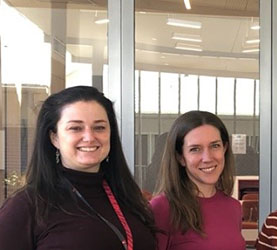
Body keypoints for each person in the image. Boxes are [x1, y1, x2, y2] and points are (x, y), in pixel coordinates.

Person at [0, 86, 157, 250]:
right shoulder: (27, 207)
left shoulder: (129, 198)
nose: (89, 137)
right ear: (54, 138)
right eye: (75, 128)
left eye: (99, 127)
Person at [149, 111, 244, 250]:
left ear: (225, 148)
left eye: (215, 146)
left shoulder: (234, 207)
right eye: (195, 149)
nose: (207, 158)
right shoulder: (161, 209)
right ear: (180, 157)